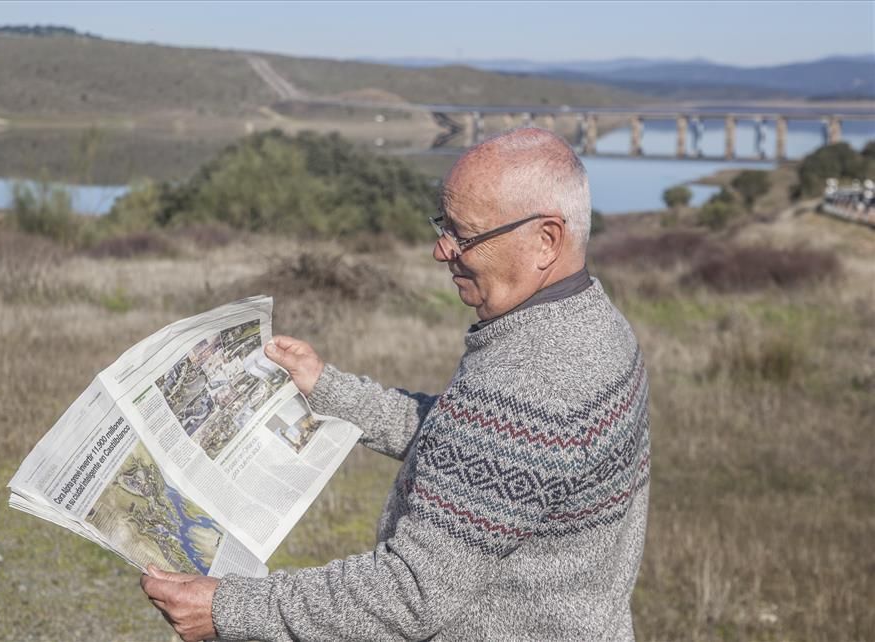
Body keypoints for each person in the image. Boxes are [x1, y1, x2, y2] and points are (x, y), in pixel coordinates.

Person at [141, 127, 651, 641]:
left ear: (546, 240)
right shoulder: (594, 324)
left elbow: (410, 592)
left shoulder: (527, 379)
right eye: (443, 225)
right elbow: (472, 445)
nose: (441, 249)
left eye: (464, 234)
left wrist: (229, 607)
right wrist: (325, 388)